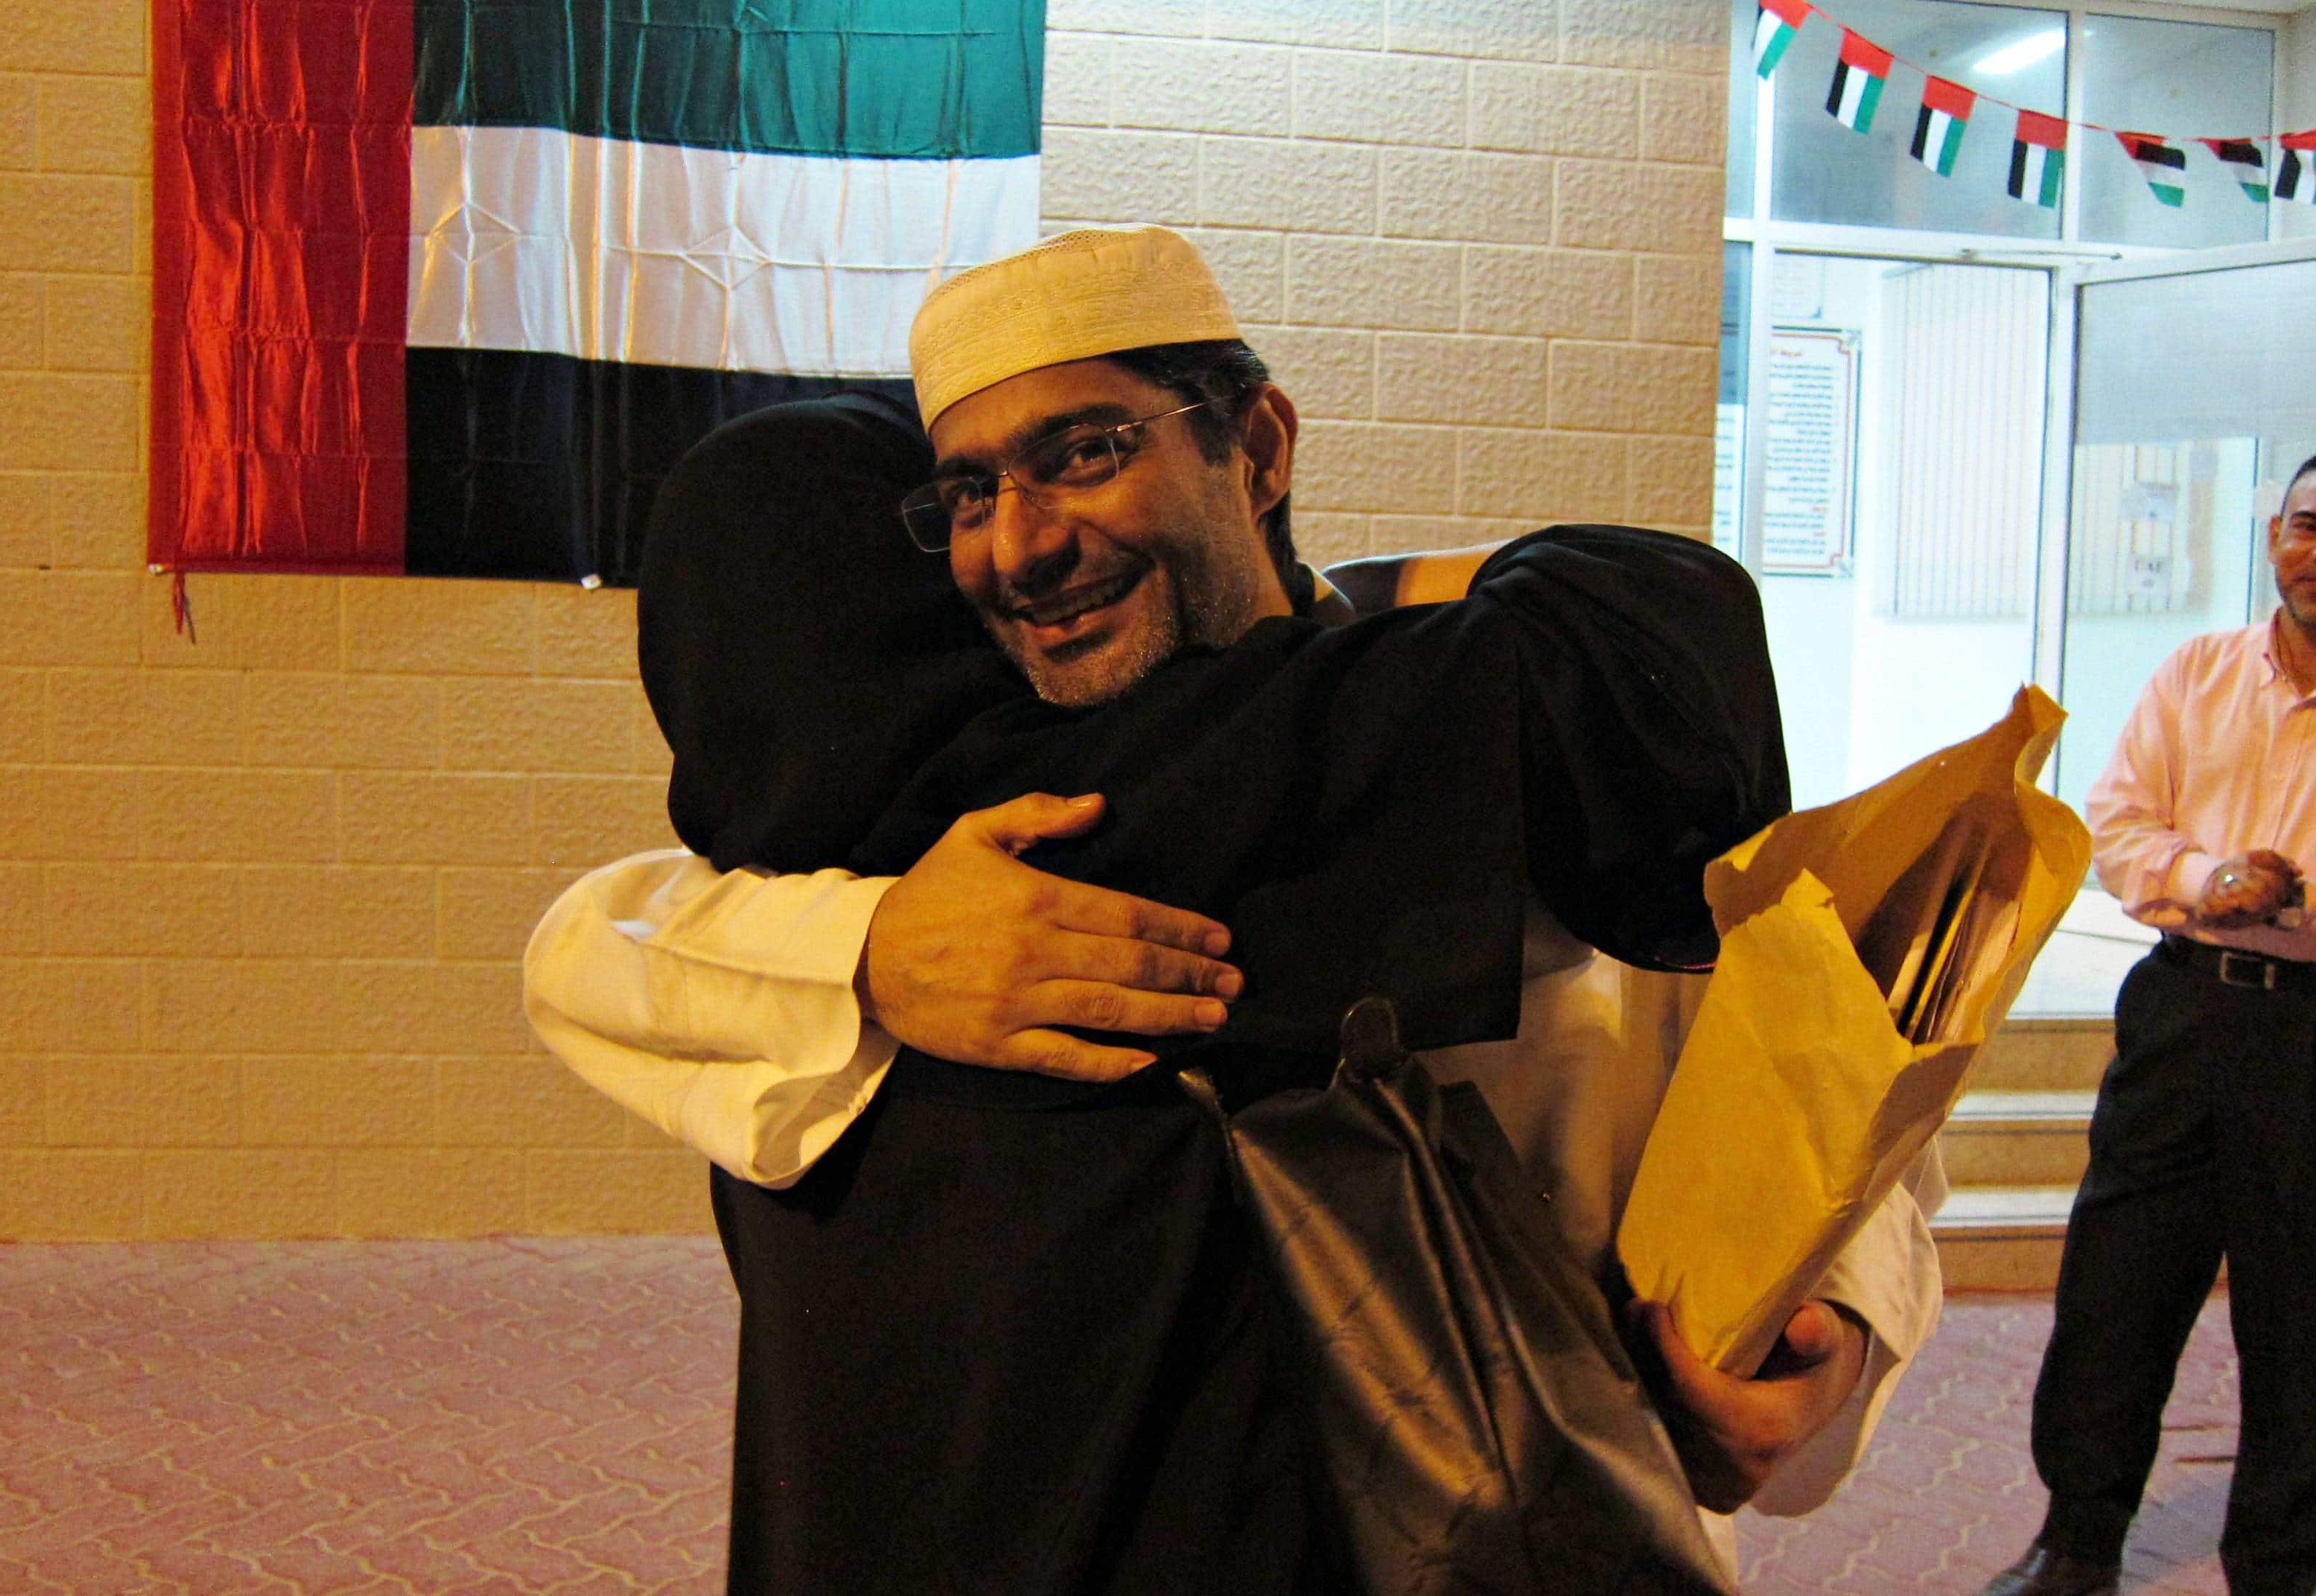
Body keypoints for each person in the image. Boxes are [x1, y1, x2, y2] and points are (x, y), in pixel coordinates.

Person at [526, 227, 1943, 1589]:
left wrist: (1832, 1354)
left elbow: (1827, 1104)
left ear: (1254, 446)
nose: (1021, 544)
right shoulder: (945, 840)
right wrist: (872, 952)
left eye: (1084, 453)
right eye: (969, 493)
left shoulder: (1527, 745)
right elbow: (600, 944)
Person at [1977, 455, 2316, 1596]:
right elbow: (2117, 823)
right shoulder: (2200, 673)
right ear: (2274, 536)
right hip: (2183, 1011)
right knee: (2117, 1283)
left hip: (2311, 1034)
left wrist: (2289, 895)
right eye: (2307, 526)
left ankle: (2279, 1562)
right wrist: (2211, 875)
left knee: (2299, 1315)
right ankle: (2077, 1541)